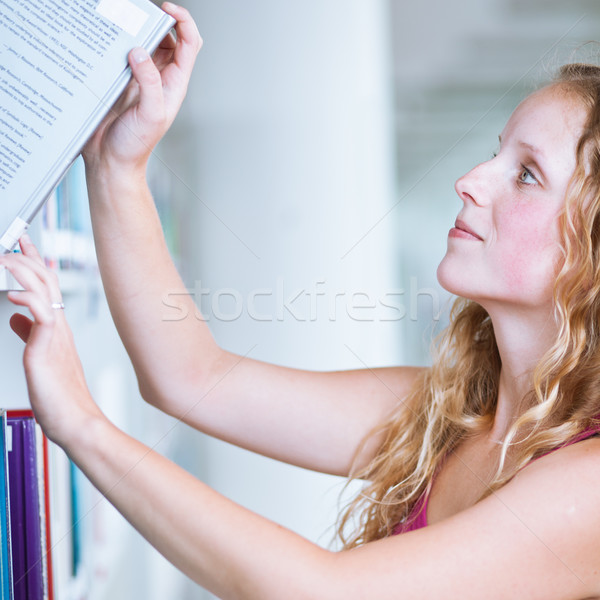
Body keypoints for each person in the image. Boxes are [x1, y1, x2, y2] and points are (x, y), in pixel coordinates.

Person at [1, 3, 600, 598]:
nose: (470, 179)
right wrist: (117, 164)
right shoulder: (448, 412)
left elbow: (321, 592)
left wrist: (82, 424)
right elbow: (190, 378)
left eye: (526, 174)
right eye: (498, 151)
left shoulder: (588, 485)